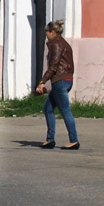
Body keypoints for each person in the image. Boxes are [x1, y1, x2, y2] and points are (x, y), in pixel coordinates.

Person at [37, 19, 80, 150]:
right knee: (48, 109)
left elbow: (53, 67)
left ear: (53, 32)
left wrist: (42, 82)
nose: (46, 34)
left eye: (47, 32)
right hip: (65, 80)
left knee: (65, 111)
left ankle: (74, 140)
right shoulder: (62, 43)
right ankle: (50, 140)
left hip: (60, 81)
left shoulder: (56, 44)